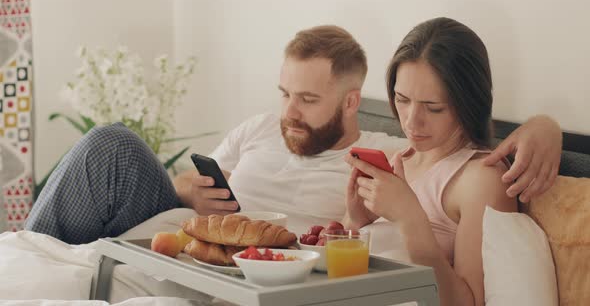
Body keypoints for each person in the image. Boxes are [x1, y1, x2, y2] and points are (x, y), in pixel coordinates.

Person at [26, 24, 562, 245]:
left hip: (257, 259)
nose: (289, 112)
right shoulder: (259, 127)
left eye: (307, 100)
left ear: (351, 101)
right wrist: (189, 190)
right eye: (284, 94)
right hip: (185, 227)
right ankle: (27, 251)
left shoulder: (395, 155)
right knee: (112, 145)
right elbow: (187, 180)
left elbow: (473, 153)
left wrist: (545, 126)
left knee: (112, 148)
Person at [342, 17, 549, 306]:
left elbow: (467, 302)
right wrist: (354, 221)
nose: (412, 122)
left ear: (468, 104)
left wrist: (409, 218)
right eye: (402, 99)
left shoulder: (480, 179)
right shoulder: (399, 160)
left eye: (434, 107)